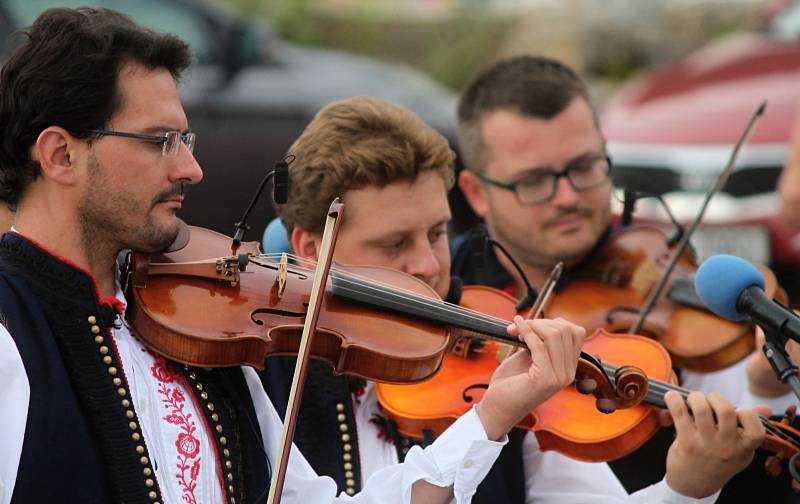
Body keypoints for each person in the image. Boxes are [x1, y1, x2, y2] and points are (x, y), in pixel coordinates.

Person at [0, 9, 609, 504]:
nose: (191, 167)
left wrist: (491, 415)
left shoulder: (195, 326)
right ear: (60, 155)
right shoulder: (9, 331)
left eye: (185, 139)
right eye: (160, 141)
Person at [269, 94, 767, 503]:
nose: (428, 265)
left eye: (438, 233)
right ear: (313, 249)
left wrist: (685, 488)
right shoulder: (264, 377)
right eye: (395, 244)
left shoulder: (498, 358)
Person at [452, 55, 798, 500]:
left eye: (584, 167)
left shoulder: (653, 260)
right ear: (476, 193)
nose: (567, 196)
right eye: (534, 181)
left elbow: (732, 405)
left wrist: (763, 384)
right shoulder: (456, 294)